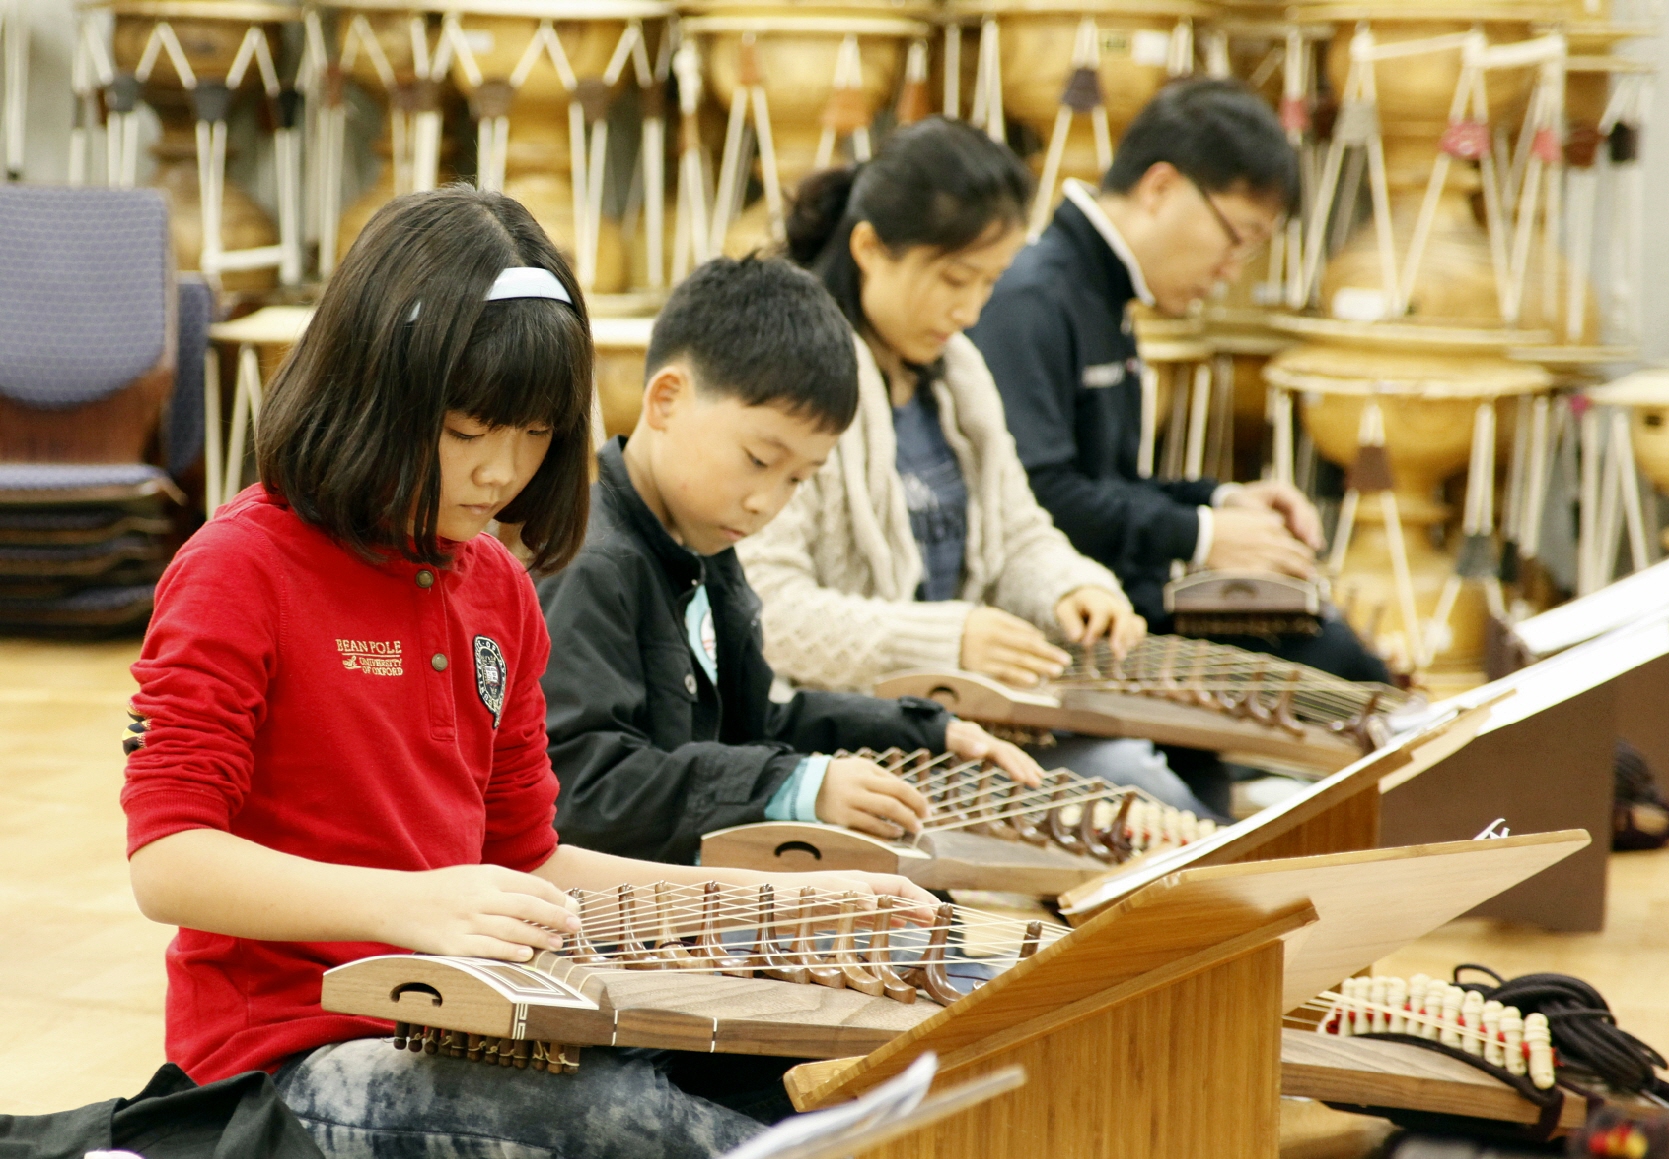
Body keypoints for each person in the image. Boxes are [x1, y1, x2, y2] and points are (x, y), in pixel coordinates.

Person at [119, 188, 934, 1159]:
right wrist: (405, 902)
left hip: (484, 1017)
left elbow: (533, 860)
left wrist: (780, 903)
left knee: (778, 1086)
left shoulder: (498, 588)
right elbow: (167, 862)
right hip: (294, 1057)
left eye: (537, 433)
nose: (502, 469)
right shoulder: (239, 566)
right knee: (643, 1133)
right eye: (469, 430)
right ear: (375, 386)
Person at [736, 117, 1213, 818]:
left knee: (1158, 803)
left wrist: (1069, 587)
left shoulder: (957, 373)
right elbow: (765, 609)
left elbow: (1018, 531)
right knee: (1135, 805)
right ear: (870, 247)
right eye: (954, 278)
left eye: (988, 282)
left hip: (965, 729)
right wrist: (948, 638)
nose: (969, 309)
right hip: (845, 748)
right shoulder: (793, 383)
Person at [538, 255, 1044, 864]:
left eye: (798, 480)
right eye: (758, 459)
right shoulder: (590, 562)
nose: (766, 503)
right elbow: (584, 787)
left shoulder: (704, 547)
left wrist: (924, 731)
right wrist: (792, 785)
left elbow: (756, 726)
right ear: (666, 400)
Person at [967, 78, 1389, 687]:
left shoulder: (1101, 293)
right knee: (1337, 666)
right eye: (1237, 238)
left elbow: (1108, 484)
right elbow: (1039, 498)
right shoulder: (1031, 297)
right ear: (1160, 187)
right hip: (1061, 624)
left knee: (1338, 649)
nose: (1229, 271)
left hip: (1118, 609)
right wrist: (1202, 535)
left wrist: (1219, 501)